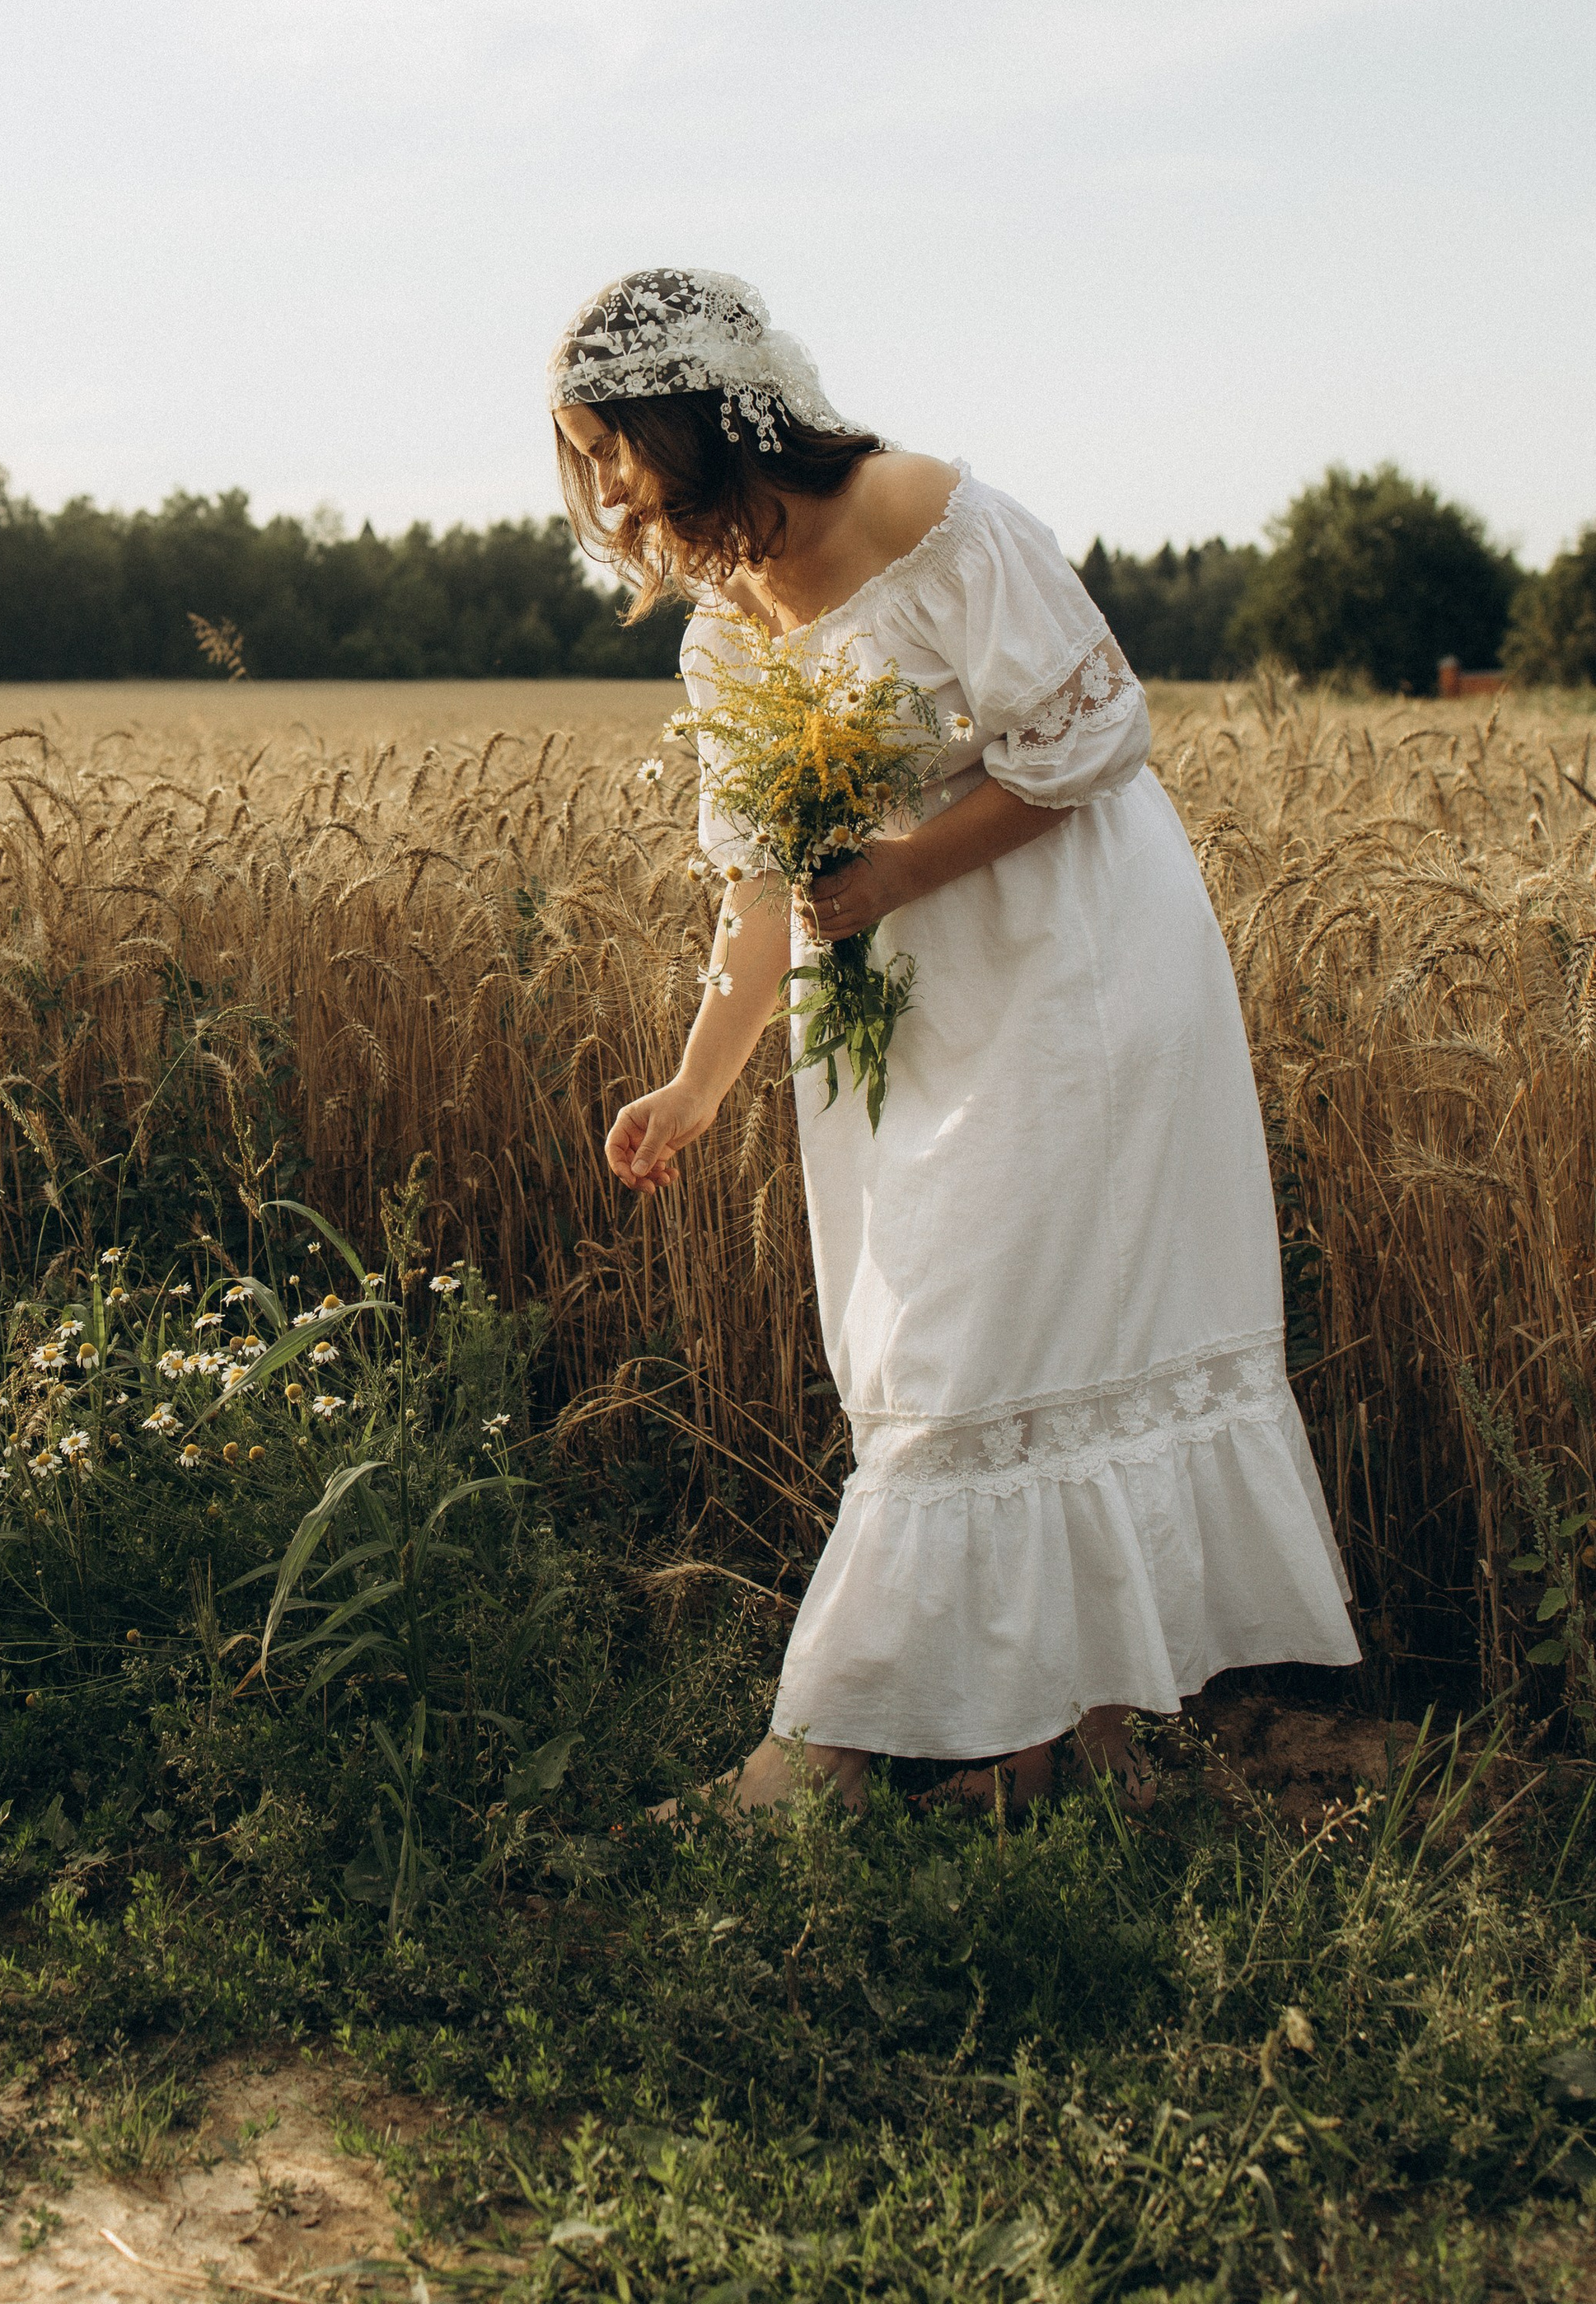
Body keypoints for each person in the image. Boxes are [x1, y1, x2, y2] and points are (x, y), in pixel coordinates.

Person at [551, 268, 1357, 1814]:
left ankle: (821, 1759)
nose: (608, 490)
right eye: (583, 459)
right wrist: (699, 1080)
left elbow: (1095, 736)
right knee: (955, 1340)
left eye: (615, 449)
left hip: (1074, 970)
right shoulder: (724, 631)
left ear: (699, 415)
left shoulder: (927, 514)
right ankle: (1064, 1749)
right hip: (912, 1016)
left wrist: (901, 873)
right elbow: (761, 880)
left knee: (1001, 1334)